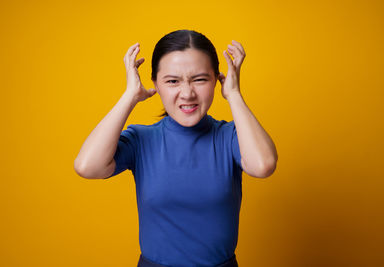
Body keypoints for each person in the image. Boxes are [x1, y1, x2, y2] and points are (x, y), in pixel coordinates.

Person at [74, 29, 278, 267]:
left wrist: (233, 94)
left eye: (200, 79)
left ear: (217, 80)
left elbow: (263, 165)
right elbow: (87, 167)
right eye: (172, 81)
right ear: (155, 85)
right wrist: (130, 95)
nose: (187, 93)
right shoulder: (142, 139)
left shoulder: (230, 136)